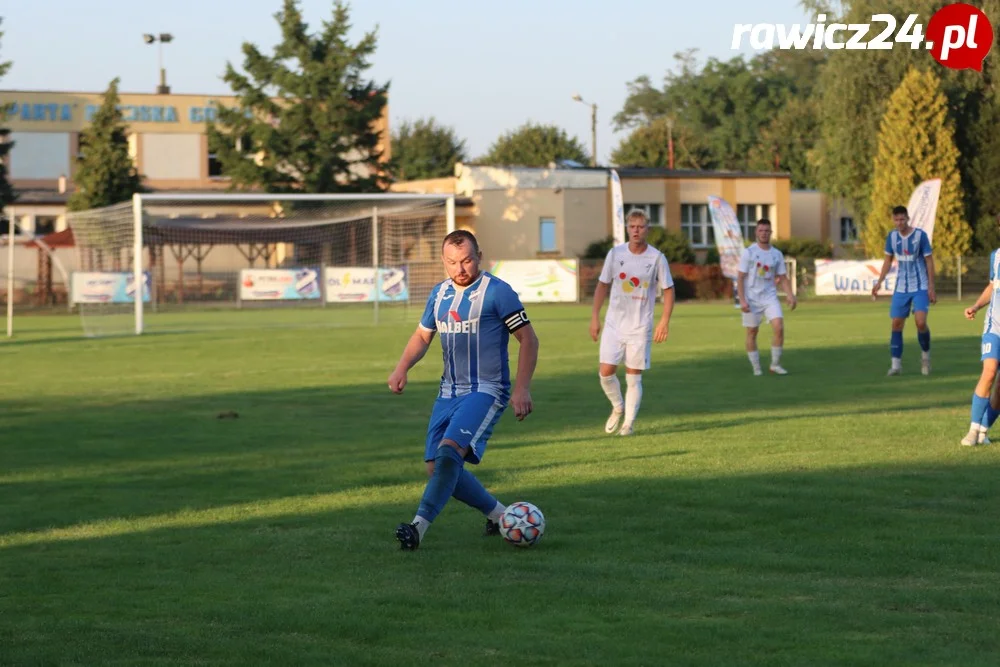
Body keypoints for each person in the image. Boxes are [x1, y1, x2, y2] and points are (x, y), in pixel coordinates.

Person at [387, 230, 539, 550]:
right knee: (437, 468)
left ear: (479, 257)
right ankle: (499, 516)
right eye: (452, 262)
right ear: (443, 261)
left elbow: (529, 339)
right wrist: (402, 367)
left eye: (467, 260)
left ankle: (417, 528)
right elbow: (422, 336)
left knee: (448, 454)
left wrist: (522, 389)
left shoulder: (498, 292)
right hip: (448, 392)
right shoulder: (439, 294)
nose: (460, 268)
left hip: (487, 390)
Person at [590, 209, 674, 436]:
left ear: (648, 229)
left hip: (640, 326)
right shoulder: (615, 254)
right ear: (627, 228)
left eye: (641, 226)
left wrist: (664, 322)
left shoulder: (656, 258)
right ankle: (618, 407)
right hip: (614, 325)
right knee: (605, 373)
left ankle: (628, 424)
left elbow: (668, 290)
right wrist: (595, 317)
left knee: (633, 376)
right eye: (632, 226)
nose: (636, 230)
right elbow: (602, 285)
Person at [871, 205, 936, 376]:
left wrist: (931, 287)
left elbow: (929, 261)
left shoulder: (920, 236)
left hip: (920, 286)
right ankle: (896, 365)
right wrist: (879, 282)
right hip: (901, 287)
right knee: (896, 324)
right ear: (893, 220)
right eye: (896, 219)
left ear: (908, 219)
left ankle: (925, 357)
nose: (899, 222)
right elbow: (887, 260)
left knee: (920, 322)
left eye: (902, 219)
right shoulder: (892, 237)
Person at [737, 219, 797, 376]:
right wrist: (742, 299)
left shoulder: (776, 254)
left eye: (766, 231)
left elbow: (783, 277)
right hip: (751, 298)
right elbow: (740, 277)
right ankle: (756, 368)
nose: (764, 233)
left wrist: (790, 295)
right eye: (761, 230)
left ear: (771, 233)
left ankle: (775, 365)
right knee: (752, 332)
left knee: (779, 326)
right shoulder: (748, 253)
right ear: (756, 233)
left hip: (770, 297)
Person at [961, 246, 1000, 445]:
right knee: (990, 371)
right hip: (994, 326)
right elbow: (993, 286)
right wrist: (976, 306)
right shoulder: (996, 255)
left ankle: (983, 431)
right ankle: (973, 430)